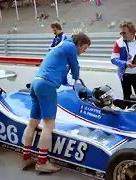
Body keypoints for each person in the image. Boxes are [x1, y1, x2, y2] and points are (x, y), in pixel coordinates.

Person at [21, 32, 91, 173]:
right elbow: (75, 67)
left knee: (33, 122)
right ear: (79, 44)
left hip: (37, 83)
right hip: (47, 85)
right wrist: (77, 78)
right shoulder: (71, 46)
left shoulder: (62, 46)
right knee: (48, 124)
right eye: (85, 47)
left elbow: (62, 74)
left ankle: (26, 157)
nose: (85, 51)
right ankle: (41, 163)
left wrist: (68, 82)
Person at [110, 20, 136, 101]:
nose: (122, 35)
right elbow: (113, 59)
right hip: (125, 75)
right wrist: (125, 63)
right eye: (121, 33)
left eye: (124, 33)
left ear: (132, 32)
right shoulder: (119, 43)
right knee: (127, 100)